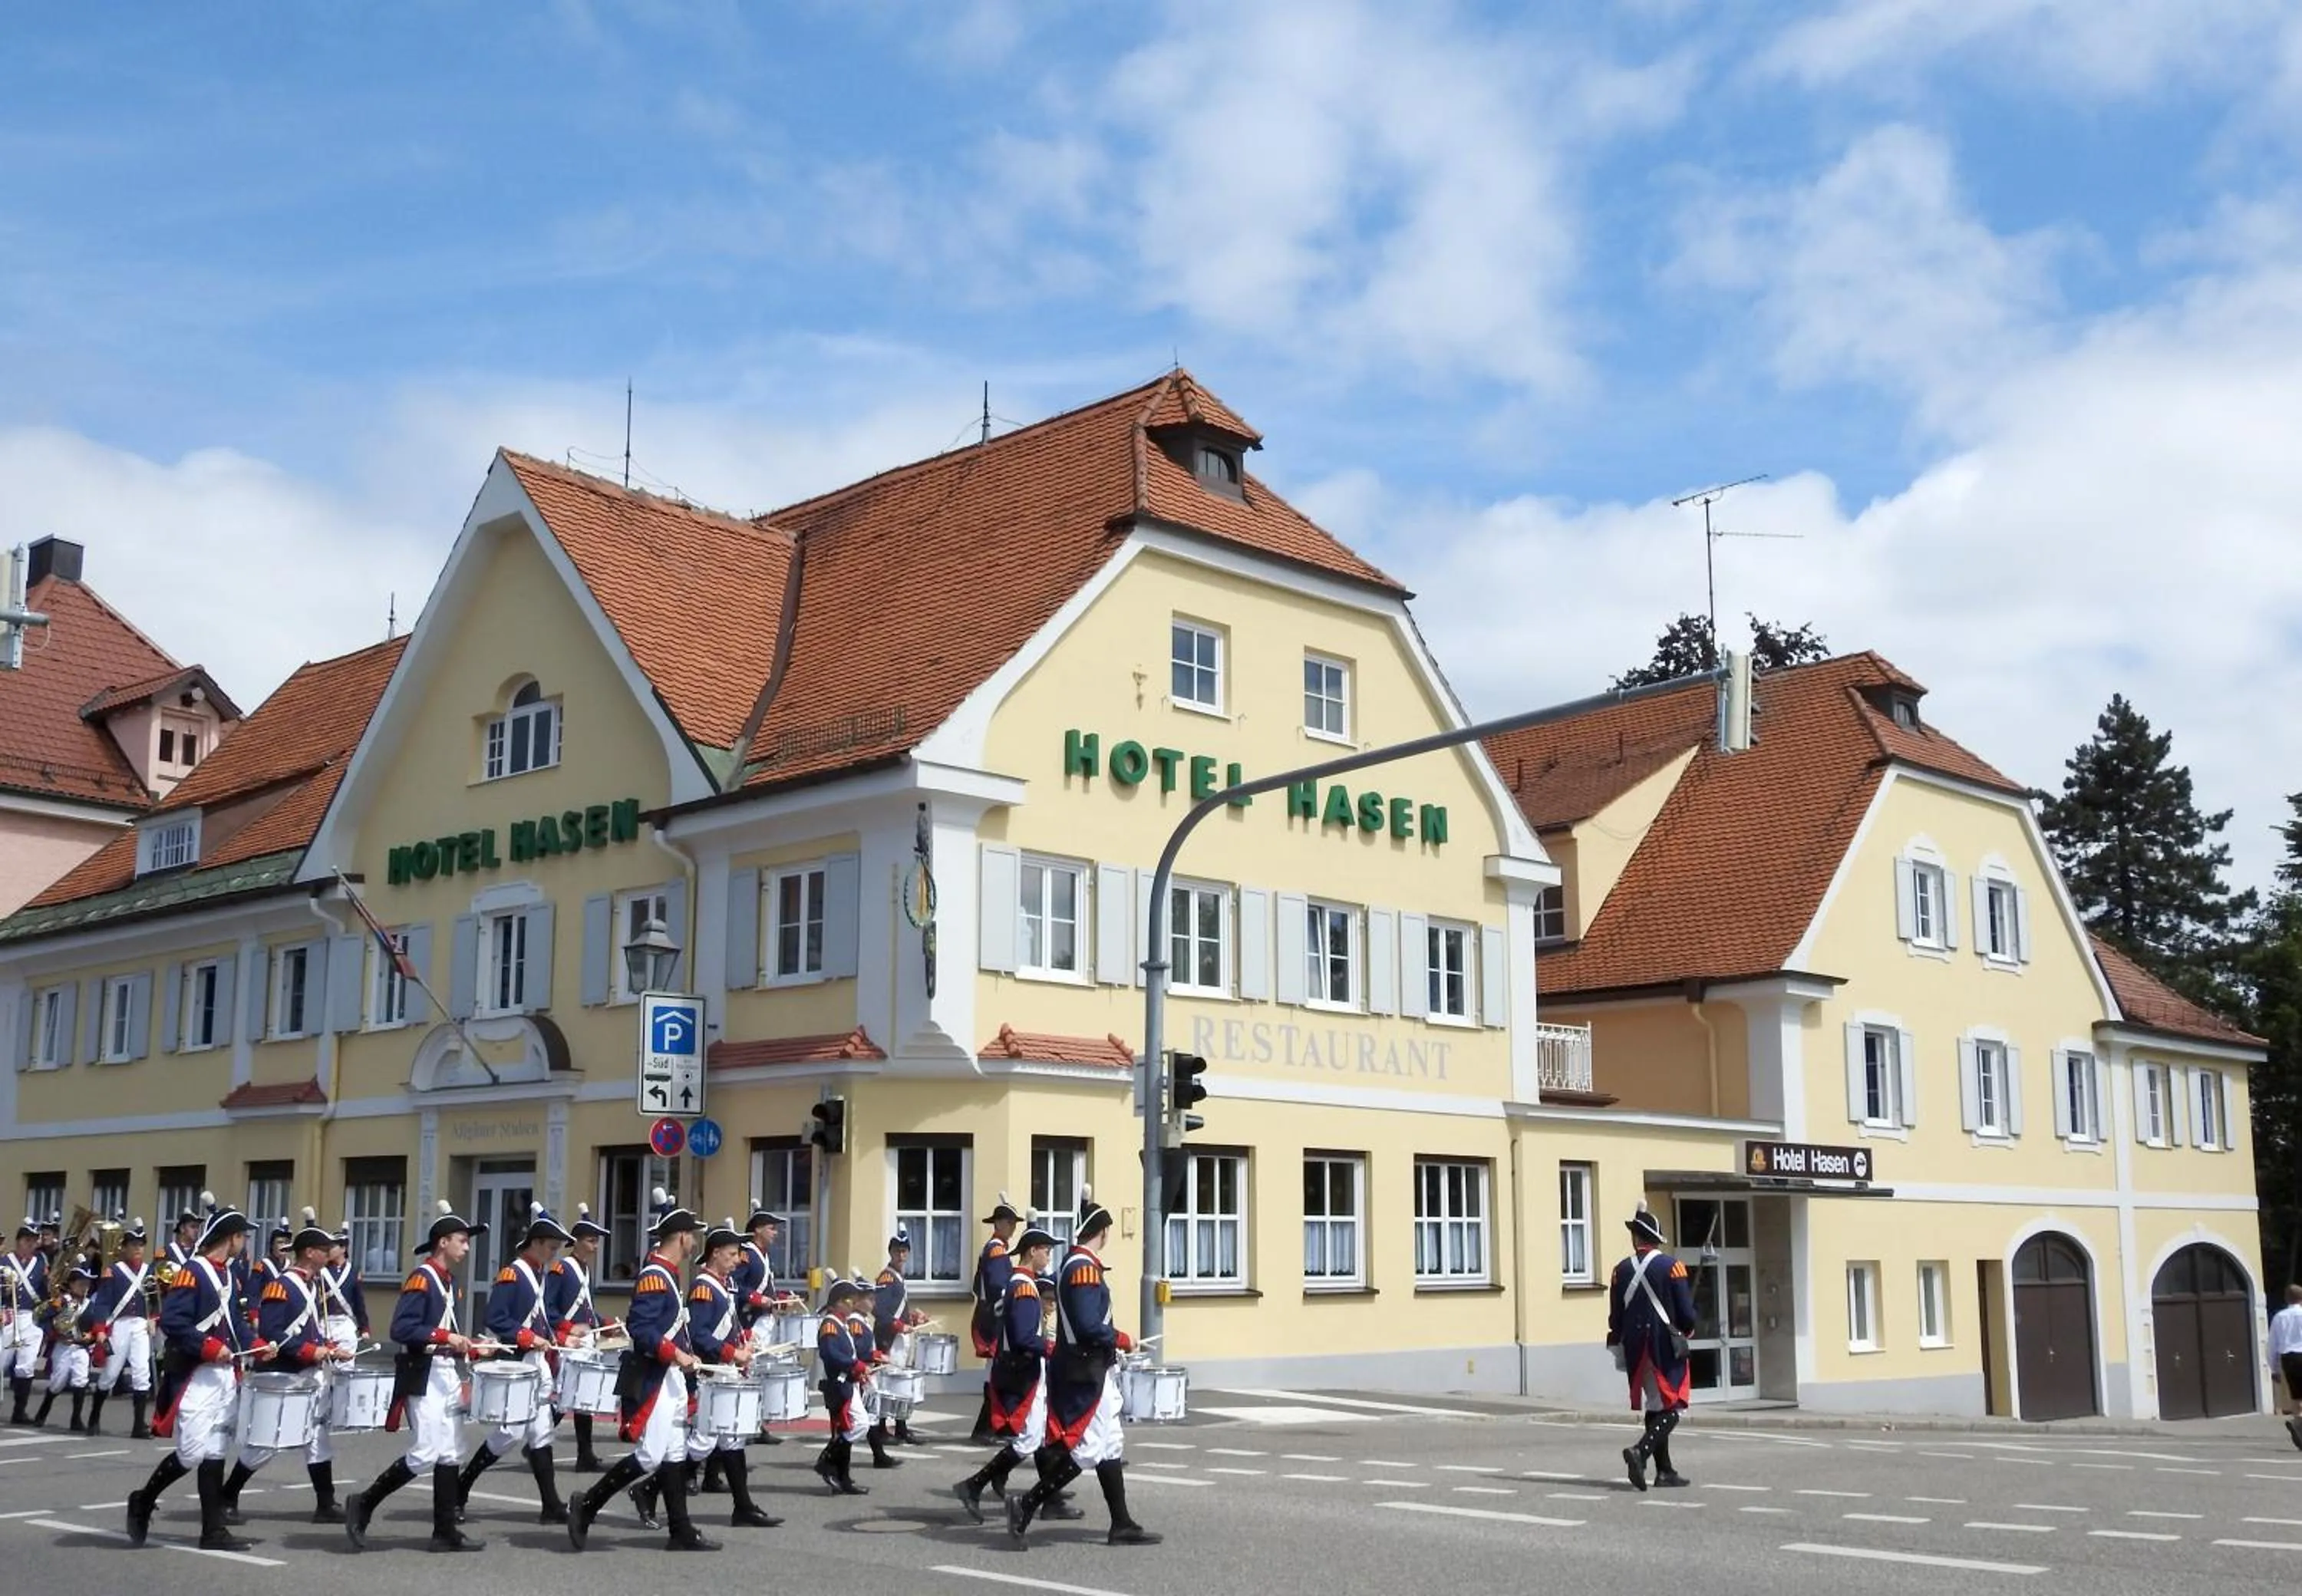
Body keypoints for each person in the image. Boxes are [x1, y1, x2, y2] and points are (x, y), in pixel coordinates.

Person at [566, 1189, 717, 1553]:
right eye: (692, 1235)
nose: (694, 1241)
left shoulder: (668, 1274)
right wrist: (676, 1354)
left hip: (669, 1375)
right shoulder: (654, 1276)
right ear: (681, 1237)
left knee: (676, 1451)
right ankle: (587, 1504)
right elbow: (641, 1328)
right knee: (651, 1454)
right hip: (654, 1375)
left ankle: (680, 1530)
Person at [1006, 1188, 1156, 1546]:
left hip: (1088, 1366)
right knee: (1089, 1448)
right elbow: (1090, 1326)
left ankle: (1121, 1523)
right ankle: (1026, 1505)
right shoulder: (1084, 1269)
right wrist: (1122, 1339)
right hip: (1085, 1367)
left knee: (1110, 1444)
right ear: (1102, 1232)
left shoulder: (1073, 1265)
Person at [344, 1199, 488, 1554]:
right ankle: (363, 1502)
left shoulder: (446, 1281)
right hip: (422, 1374)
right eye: (462, 1240)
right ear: (443, 1242)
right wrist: (446, 1338)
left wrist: (465, 1344)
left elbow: (437, 1330)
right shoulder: (421, 1279)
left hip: (442, 1371)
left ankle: (445, 1531)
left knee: (451, 1451)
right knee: (425, 1452)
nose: (466, 1247)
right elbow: (402, 1328)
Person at [126, 1201, 261, 1551]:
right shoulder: (193, 1271)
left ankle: (212, 1531)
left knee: (216, 1450)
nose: (244, 1242)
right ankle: (143, 1498)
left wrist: (259, 1345)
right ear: (230, 1238)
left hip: (223, 1376)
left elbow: (235, 1326)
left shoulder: (229, 1275)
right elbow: (174, 1322)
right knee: (190, 1453)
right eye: (242, 1236)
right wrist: (208, 1347)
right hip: (197, 1374)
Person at [219, 1214, 355, 1526]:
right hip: (283, 1373)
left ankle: (325, 1503)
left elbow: (309, 1331)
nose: (331, 1254)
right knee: (268, 1442)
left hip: (307, 1373)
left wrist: (329, 1348)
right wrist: (313, 1350)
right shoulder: (280, 1286)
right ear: (310, 1252)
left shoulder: (312, 1285)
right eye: (325, 1249)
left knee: (318, 1438)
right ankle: (227, 1495)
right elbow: (272, 1333)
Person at [458, 1203, 574, 1525]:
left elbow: (544, 1319)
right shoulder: (513, 1273)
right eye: (551, 1248)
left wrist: (564, 1336)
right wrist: (526, 1337)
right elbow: (495, 1317)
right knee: (510, 1433)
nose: (554, 1254)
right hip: (516, 1363)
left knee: (541, 1433)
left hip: (536, 1364)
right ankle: (461, 1487)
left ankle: (551, 1505)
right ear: (536, 1243)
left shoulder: (539, 1274)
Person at [954, 1224, 1061, 1522]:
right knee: (1030, 1439)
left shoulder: (1017, 1282)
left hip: (1020, 1370)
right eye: (1046, 1251)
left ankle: (1050, 1500)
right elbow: (1024, 1337)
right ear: (1032, 1251)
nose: (1048, 1257)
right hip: (1023, 1372)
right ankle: (974, 1486)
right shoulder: (1025, 1288)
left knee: (1038, 1437)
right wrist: (1054, 1349)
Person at [685, 1218, 779, 1528]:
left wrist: (744, 1346)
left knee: (731, 1440)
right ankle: (649, 1489)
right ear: (714, 1254)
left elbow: (728, 1328)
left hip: (725, 1372)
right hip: (711, 1373)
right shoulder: (703, 1288)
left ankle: (743, 1507)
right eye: (732, 1254)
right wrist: (732, 1352)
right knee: (702, 1441)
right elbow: (699, 1336)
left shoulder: (724, 1287)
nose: (738, 1259)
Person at [1606, 1202, 1698, 1492]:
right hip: (1662, 1346)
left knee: (1656, 1405)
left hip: (1635, 1349)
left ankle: (1664, 1471)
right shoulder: (1672, 1268)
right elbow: (1686, 1313)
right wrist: (1689, 1327)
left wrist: (1619, 1342)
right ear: (1657, 1239)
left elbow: (1615, 1317)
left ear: (1637, 1239)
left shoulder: (1620, 1271)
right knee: (1674, 1404)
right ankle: (1640, 1451)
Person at [546, 1203, 613, 1472]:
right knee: (569, 1395)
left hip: (584, 1341)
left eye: (597, 1241)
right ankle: (538, 1441)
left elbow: (587, 1311)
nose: (596, 1246)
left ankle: (585, 1454)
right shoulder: (562, 1269)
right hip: (569, 1342)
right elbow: (547, 1307)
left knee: (582, 1397)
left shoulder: (585, 1271)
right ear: (577, 1242)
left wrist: (606, 1325)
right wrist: (566, 1327)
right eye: (591, 1241)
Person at [84, 1218, 156, 1436]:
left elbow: (156, 1299)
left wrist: (154, 1318)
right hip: (119, 1325)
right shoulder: (113, 1271)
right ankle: (94, 1417)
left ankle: (138, 1425)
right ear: (124, 1248)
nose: (137, 1249)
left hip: (141, 1326)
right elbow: (103, 1302)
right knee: (110, 1374)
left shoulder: (149, 1270)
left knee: (142, 1372)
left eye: (141, 1245)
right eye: (133, 1245)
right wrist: (100, 1330)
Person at [731, 1202, 788, 1449]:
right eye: (771, 1228)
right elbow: (733, 1286)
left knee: (758, 1373)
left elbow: (765, 1287)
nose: (775, 1233)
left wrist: (780, 1298)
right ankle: (748, 1422)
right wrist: (757, 1299)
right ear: (757, 1230)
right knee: (748, 1373)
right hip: (749, 1321)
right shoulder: (747, 1254)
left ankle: (756, 1421)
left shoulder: (763, 1256)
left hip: (764, 1321)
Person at [812, 1277, 874, 1496]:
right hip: (838, 1383)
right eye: (850, 1299)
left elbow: (852, 1352)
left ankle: (842, 1476)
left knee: (849, 1428)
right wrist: (854, 1365)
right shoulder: (830, 1324)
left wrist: (865, 1363)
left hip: (848, 1381)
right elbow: (831, 1354)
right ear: (838, 1301)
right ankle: (827, 1461)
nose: (853, 1304)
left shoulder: (842, 1324)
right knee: (856, 1425)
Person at [968, 1193, 1022, 1444]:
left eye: (1013, 1223)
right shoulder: (997, 1250)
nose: (1012, 1227)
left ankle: (989, 1427)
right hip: (993, 1319)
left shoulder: (997, 1249)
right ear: (998, 1224)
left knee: (996, 1374)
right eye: (1009, 1222)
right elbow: (999, 1287)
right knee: (995, 1374)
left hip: (990, 1316)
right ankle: (986, 1428)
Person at [872, 1228, 929, 1451]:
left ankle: (901, 1425)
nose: (901, 1255)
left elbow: (897, 1309)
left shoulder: (898, 1276)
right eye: (898, 1251)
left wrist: (913, 1317)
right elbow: (879, 1309)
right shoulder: (887, 1277)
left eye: (905, 1251)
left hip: (899, 1337)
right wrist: (899, 1325)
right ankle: (882, 1427)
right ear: (891, 1252)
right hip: (889, 1338)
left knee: (900, 1383)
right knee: (888, 1382)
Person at [32, 1264, 96, 1431]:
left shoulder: (90, 1304)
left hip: (81, 1348)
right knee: (57, 1383)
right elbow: (42, 1318)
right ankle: (42, 1413)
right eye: (81, 1283)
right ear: (72, 1284)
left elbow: (95, 1326)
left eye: (86, 1284)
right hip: (63, 1347)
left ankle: (76, 1420)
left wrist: (92, 1337)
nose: (84, 1287)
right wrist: (55, 1335)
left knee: (81, 1380)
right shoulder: (61, 1301)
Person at [2, 1220, 50, 1424]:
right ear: (19, 1241)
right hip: (7, 1315)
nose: (30, 1245)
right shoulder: (4, 1262)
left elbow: (43, 1293)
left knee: (27, 1365)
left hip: (29, 1317)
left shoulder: (40, 1265)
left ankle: (19, 1411)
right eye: (26, 1240)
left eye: (33, 1241)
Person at [2271, 1282, 2302, 1449]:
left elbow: (2273, 1345)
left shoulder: (2279, 1317)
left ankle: (2298, 1424)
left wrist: (2274, 1368)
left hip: (2288, 1358)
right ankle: (2299, 1425)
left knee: (2296, 1397)